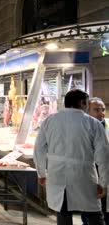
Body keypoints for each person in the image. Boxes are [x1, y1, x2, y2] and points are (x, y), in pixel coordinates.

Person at [34, 89, 109, 225]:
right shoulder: (93, 124)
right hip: (83, 175)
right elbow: (103, 156)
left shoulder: (49, 121)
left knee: (63, 211)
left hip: (57, 173)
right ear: (82, 103)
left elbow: (39, 149)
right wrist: (103, 183)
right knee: (94, 213)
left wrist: (41, 173)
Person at [82, 97, 108, 225]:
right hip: (90, 174)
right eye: (96, 110)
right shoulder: (82, 128)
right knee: (90, 211)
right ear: (87, 111)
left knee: (104, 210)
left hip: (105, 172)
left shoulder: (106, 125)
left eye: (103, 109)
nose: (101, 113)